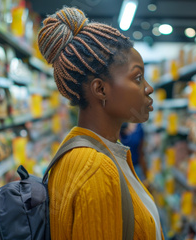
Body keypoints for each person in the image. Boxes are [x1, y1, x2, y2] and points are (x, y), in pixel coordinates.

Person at [38, 7, 163, 240]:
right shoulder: (96, 169)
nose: (148, 88)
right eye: (137, 77)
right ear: (100, 89)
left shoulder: (82, 150)